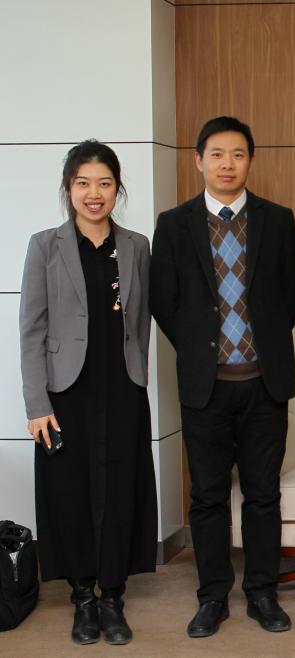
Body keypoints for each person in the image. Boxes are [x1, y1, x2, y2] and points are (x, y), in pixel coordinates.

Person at [150, 116, 295, 638]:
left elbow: (289, 296)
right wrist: (202, 351)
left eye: (238, 154)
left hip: (265, 383)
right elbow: (164, 301)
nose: (227, 164)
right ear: (199, 161)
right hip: (205, 386)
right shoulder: (174, 224)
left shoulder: (277, 220)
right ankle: (212, 596)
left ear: (250, 161)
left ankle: (262, 592)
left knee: (263, 494)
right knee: (208, 497)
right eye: (216, 154)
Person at [19, 140, 157, 646]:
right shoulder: (45, 245)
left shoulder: (136, 245)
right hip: (65, 391)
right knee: (71, 492)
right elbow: (31, 329)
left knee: (121, 489)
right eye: (83, 183)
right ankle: (82, 597)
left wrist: (138, 374)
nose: (94, 193)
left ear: (117, 189)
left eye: (104, 183)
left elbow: (141, 322)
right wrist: (37, 404)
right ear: (68, 188)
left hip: (122, 386)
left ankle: (113, 597)